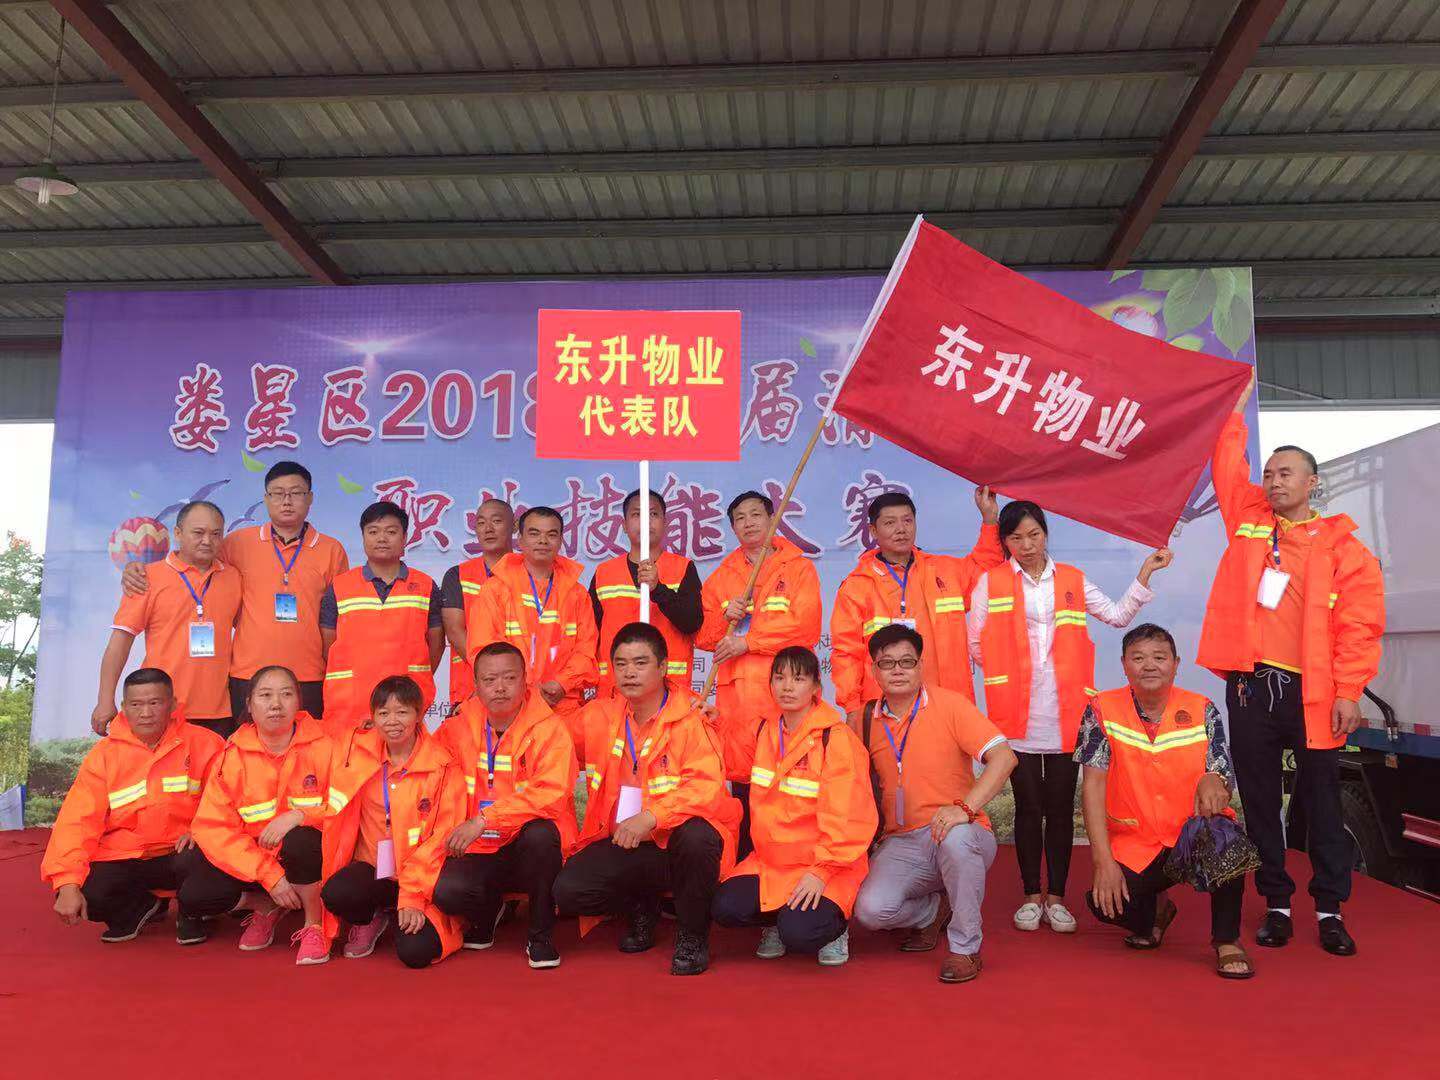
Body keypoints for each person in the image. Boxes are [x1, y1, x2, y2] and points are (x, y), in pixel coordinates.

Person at [1200, 376, 1384, 956]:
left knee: (1322, 803)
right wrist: (1232, 410)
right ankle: (1276, 905)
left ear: (1312, 483)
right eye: (1269, 473)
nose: (1274, 481)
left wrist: (1349, 690)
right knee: (1260, 802)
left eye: (1286, 473)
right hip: (1252, 689)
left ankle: (1330, 910)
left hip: (1315, 694)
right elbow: (1226, 466)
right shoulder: (1249, 519)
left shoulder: (1344, 549)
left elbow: (1359, 626)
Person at [967, 499, 1170, 936]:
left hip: (1066, 712)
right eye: (1016, 537)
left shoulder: (1072, 579)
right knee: (1028, 807)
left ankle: (1056, 898)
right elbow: (974, 641)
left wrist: (1145, 574)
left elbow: (1116, 615)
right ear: (1004, 542)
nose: (1027, 545)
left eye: (1034, 534)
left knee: (1059, 808)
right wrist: (1007, 676)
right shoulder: (990, 582)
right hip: (1015, 714)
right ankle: (1030, 896)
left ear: (1045, 534)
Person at [554, 622, 742, 976]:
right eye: (621, 664)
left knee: (698, 837)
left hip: (678, 843)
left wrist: (652, 817)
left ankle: (693, 935)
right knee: (569, 891)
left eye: (640, 663)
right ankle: (642, 906)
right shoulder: (599, 716)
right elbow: (547, 739)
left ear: (663, 667)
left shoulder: (691, 716)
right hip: (627, 842)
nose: (629, 672)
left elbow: (704, 787)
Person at [1076, 624, 1254, 979]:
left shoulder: (1202, 708)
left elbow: (1221, 772)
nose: (1149, 665)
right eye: (1138, 658)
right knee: (1105, 905)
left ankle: (1227, 940)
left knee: (1228, 840)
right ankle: (1157, 910)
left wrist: (1215, 779)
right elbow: (1092, 787)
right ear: (1124, 664)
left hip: (1190, 835)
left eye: (1159, 657)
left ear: (1176, 664)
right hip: (1136, 842)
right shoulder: (1101, 709)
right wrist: (1103, 861)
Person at [120, 461, 348, 721]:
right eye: (277, 493)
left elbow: (336, 619)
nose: (287, 501)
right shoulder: (237, 543)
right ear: (266, 498)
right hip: (246, 674)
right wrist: (137, 569)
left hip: (309, 673)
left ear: (310, 498)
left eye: (296, 493)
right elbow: (194, 561)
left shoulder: (332, 550)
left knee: (307, 743)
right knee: (244, 744)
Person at [852, 626, 1016, 983]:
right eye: (887, 663)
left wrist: (965, 809)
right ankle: (932, 911)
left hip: (958, 830)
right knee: (870, 911)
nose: (897, 670)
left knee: (957, 840)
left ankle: (965, 948)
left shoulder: (950, 705)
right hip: (900, 840)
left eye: (907, 662)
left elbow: (1004, 758)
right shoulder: (862, 720)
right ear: (874, 670)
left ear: (921, 665)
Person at [711, 647, 876, 966]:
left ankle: (836, 929)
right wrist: (713, 723)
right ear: (770, 685)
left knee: (799, 933)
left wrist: (821, 872)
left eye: (798, 679)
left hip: (828, 866)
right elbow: (732, 763)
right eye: (780, 678)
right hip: (771, 863)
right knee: (724, 907)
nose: (787, 687)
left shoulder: (836, 739)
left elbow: (848, 819)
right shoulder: (763, 730)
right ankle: (776, 919)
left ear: (816, 688)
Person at [44, 668, 225, 945]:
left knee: (208, 863)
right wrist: (67, 883)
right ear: (124, 707)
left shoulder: (206, 744)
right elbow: (76, 822)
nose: (146, 713)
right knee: (90, 891)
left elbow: (226, 803)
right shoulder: (104, 755)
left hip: (184, 851)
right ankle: (138, 908)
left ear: (172, 705)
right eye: (136, 704)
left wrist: (200, 832)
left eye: (155, 703)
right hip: (127, 855)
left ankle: (192, 913)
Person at [433, 642, 576, 969]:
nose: (499, 687)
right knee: (447, 892)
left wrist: (485, 819)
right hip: (479, 846)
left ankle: (540, 934)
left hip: (527, 846)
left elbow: (551, 793)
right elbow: (423, 760)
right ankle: (487, 911)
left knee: (541, 834)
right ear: (476, 685)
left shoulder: (550, 728)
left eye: (509, 678)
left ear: (525, 681)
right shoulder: (456, 727)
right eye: (489, 680)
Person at [179, 665, 333, 963]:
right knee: (194, 894)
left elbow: (346, 808)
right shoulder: (231, 757)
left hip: (309, 857)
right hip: (256, 863)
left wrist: (301, 815)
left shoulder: (327, 747)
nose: (276, 704)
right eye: (265, 695)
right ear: (249, 704)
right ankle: (265, 906)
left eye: (286, 694)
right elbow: (214, 828)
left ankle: (315, 924)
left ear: (299, 702)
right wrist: (269, 876)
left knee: (301, 840)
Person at [318, 676, 466, 968]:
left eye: (402, 712)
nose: (392, 721)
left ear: (419, 715)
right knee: (336, 893)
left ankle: (420, 914)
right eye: (384, 713)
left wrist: (412, 896)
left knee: (416, 953)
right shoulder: (356, 755)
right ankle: (375, 916)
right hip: (375, 869)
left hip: (422, 878)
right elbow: (331, 803)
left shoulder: (442, 765)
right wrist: (298, 815)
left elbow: (442, 838)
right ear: (372, 717)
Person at [830, 486, 1003, 726]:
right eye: (890, 523)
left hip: (948, 707)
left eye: (907, 521)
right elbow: (846, 653)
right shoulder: (856, 586)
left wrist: (990, 520)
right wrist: (851, 707)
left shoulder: (944, 571)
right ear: (873, 530)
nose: (901, 529)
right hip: (887, 712)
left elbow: (986, 571)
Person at [697, 489, 823, 793]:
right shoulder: (722, 577)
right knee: (743, 782)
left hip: (784, 692)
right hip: (737, 702)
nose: (749, 522)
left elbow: (806, 628)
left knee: (789, 781)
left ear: (772, 518)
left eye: (756, 515)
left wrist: (749, 642)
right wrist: (725, 617)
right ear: (733, 528)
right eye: (740, 518)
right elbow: (702, 636)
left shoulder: (798, 568)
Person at [98, 500, 243, 739]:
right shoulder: (147, 578)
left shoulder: (233, 578)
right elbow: (120, 643)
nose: (207, 540)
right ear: (178, 533)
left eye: (216, 534)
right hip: (161, 710)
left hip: (219, 712)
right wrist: (105, 700)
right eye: (198, 532)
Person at [470, 505, 599, 750]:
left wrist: (561, 683)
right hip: (509, 708)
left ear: (560, 541)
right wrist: (524, 690)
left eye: (551, 534)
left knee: (561, 772)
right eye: (534, 533)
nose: (543, 540)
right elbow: (482, 650)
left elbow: (587, 652)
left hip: (562, 706)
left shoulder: (577, 594)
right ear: (520, 539)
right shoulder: (495, 590)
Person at [319, 501, 444, 732]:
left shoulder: (425, 585)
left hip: (405, 704)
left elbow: (436, 645)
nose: (382, 538)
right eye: (373, 532)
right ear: (363, 537)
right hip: (349, 707)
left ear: (405, 538)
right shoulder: (339, 586)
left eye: (391, 532)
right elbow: (328, 644)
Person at [591, 489, 703, 696]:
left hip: (670, 692)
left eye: (653, 514)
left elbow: (692, 623)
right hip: (614, 691)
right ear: (624, 525)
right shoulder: (604, 572)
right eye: (637, 514)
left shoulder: (683, 568)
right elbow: (589, 636)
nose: (646, 521)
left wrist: (658, 589)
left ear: (665, 522)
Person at [441, 497, 516, 706]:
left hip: (522, 687)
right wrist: (491, 674)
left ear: (514, 526)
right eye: (481, 523)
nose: (488, 529)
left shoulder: (529, 573)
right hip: (469, 690)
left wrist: (513, 676)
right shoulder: (458, 575)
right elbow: (455, 631)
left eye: (497, 521)